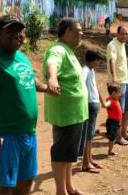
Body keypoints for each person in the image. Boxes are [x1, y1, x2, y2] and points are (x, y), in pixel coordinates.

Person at [0, 14, 50, 195]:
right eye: (10, 31)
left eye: (20, 30)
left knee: (26, 184)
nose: (18, 35)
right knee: (3, 188)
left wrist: (46, 87)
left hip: (28, 133)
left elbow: (30, 79)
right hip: (4, 135)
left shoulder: (22, 57)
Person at [43, 18, 87, 195]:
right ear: (67, 32)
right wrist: (52, 78)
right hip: (66, 114)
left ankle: (69, 187)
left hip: (75, 113)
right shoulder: (57, 49)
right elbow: (52, 64)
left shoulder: (68, 50)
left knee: (69, 155)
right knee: (61, 154)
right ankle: (60, 191)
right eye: (78, 31)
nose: (81, 34)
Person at [81, 50, 109, 174]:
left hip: (94, 104)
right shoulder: (85, 70)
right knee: (88, 135)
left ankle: (89, 159)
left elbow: (95, 88)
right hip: (89, 104)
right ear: (92, 60)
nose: (99, 63)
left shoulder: (91, 70)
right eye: (98, 60)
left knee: (91, 134)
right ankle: (85, 164)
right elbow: (81, 84)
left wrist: (101, 101)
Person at [106, 25, 128, 145]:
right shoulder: (112, 45)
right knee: (119, 112)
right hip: (118, 83)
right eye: (122, 33)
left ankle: (123, 133)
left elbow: (123, 61)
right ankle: (118, 137)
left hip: (126, 81)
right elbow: (112, 61)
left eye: (126, 34)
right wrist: (114, 77)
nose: (125, 36)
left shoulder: (122, 44)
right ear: (117, 34)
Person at [105, 84, 122, 155]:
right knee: (112, 138)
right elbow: (106, 104)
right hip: (112, 122)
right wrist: (105, 104)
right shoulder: (110, 100)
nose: (120, 94)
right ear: (113, 93)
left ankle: (101, 133)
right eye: (119, 92)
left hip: (116, 122)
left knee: (113, 136)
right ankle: (110, 151)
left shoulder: (115, 99)